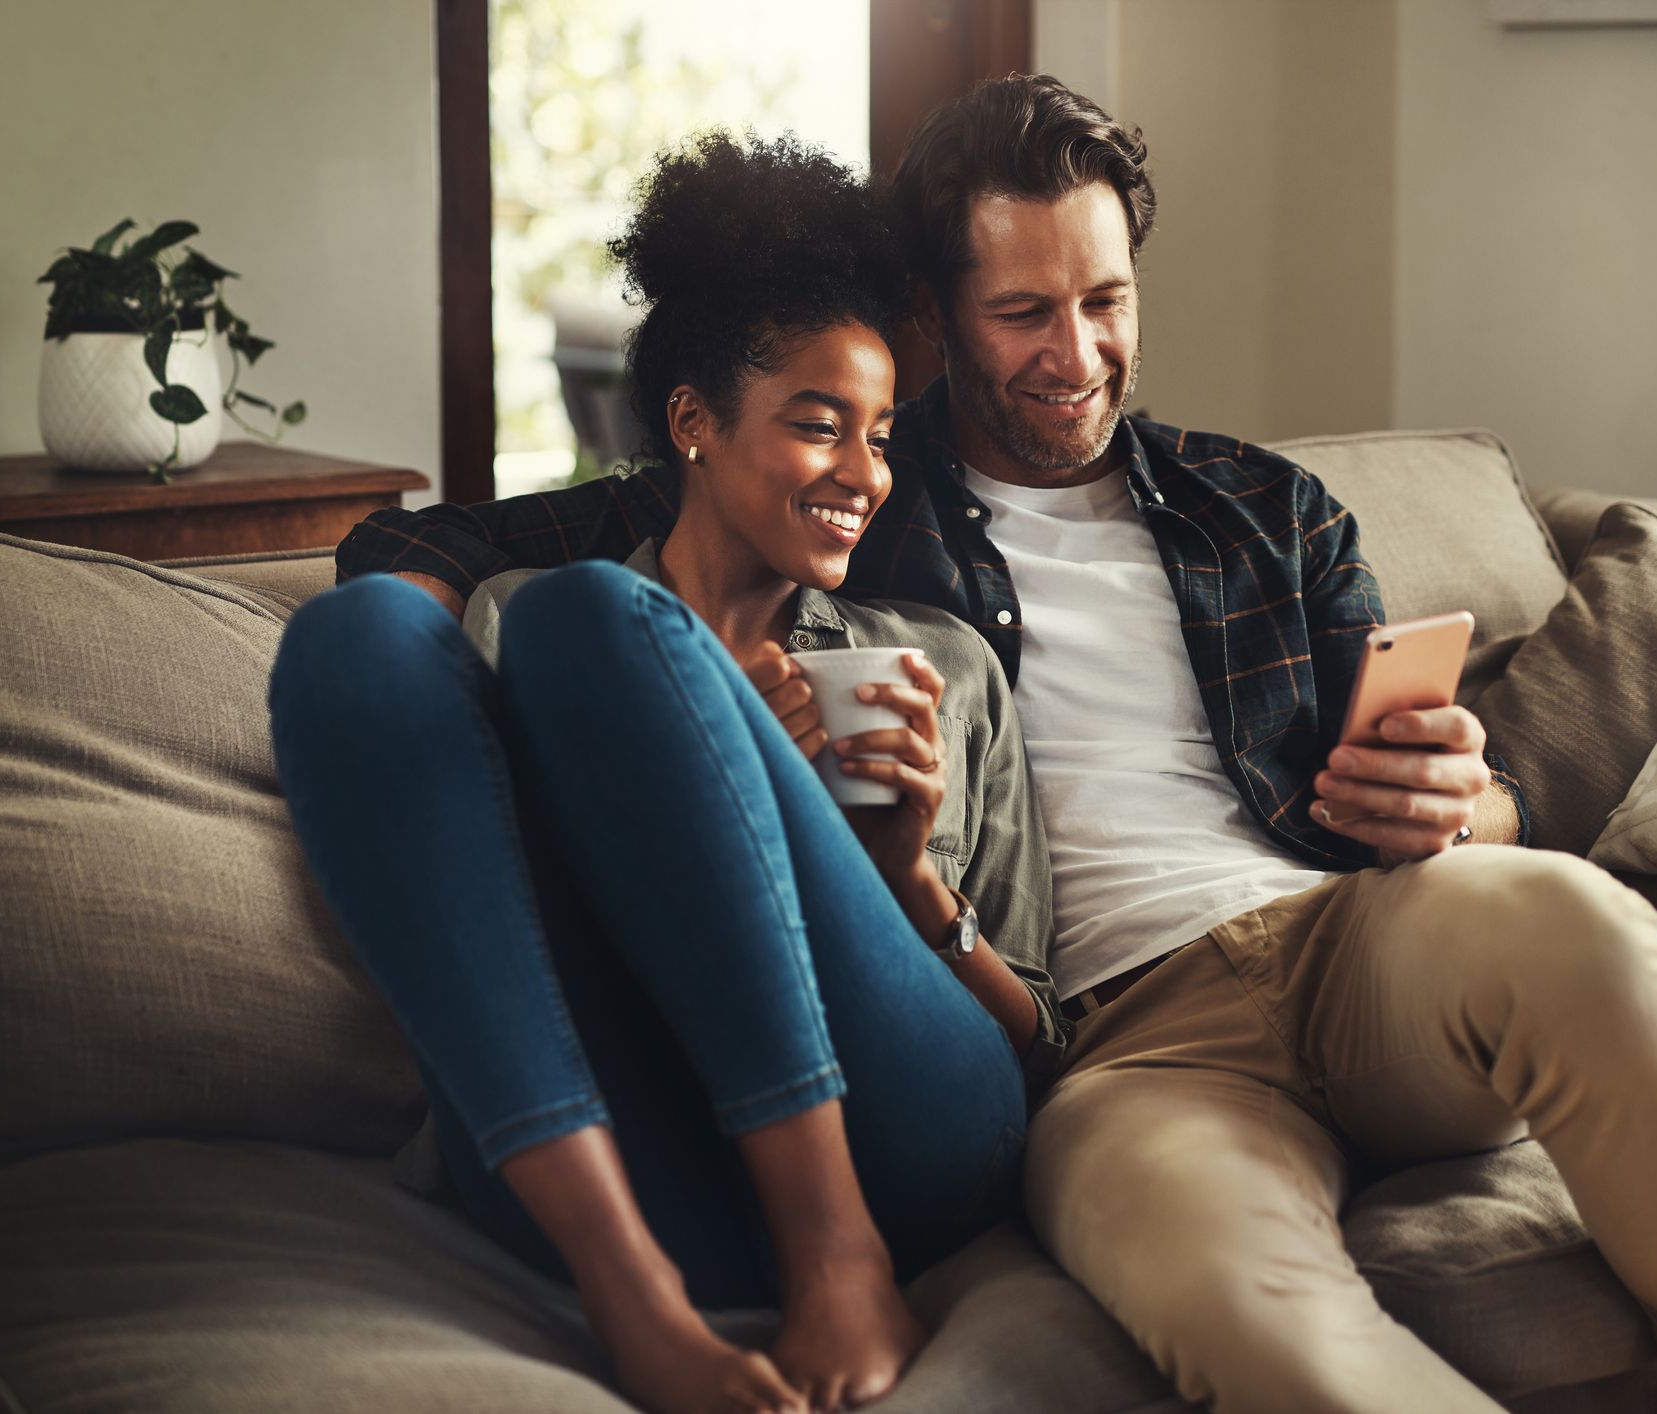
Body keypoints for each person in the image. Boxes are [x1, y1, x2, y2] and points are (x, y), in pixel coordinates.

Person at [331, 79, 1657, 1414]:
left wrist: (1476, 798)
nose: (1074, 352)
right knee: (1258, 1327)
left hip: (1359, 939)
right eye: (1022, 313)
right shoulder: (834, 477)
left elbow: (1450, 783)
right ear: (937, 314)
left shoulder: (1262, 508)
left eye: (1104, 301)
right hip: (1113, 1057)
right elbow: (419, 545)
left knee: (1577, 919)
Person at [270, 131, 1064, 1414]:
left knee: (595, 619)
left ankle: (836, 1254)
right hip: (631, 1154)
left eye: (877, 436)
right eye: (818, 426)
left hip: (901, 1137)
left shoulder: (944, 666)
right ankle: (631, 1298)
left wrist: (905, 875)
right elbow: (492, 909)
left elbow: (1040, 1045)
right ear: (693, 423)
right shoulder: (527, 620)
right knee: (362, 634)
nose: (863, 473)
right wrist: (692, 738)